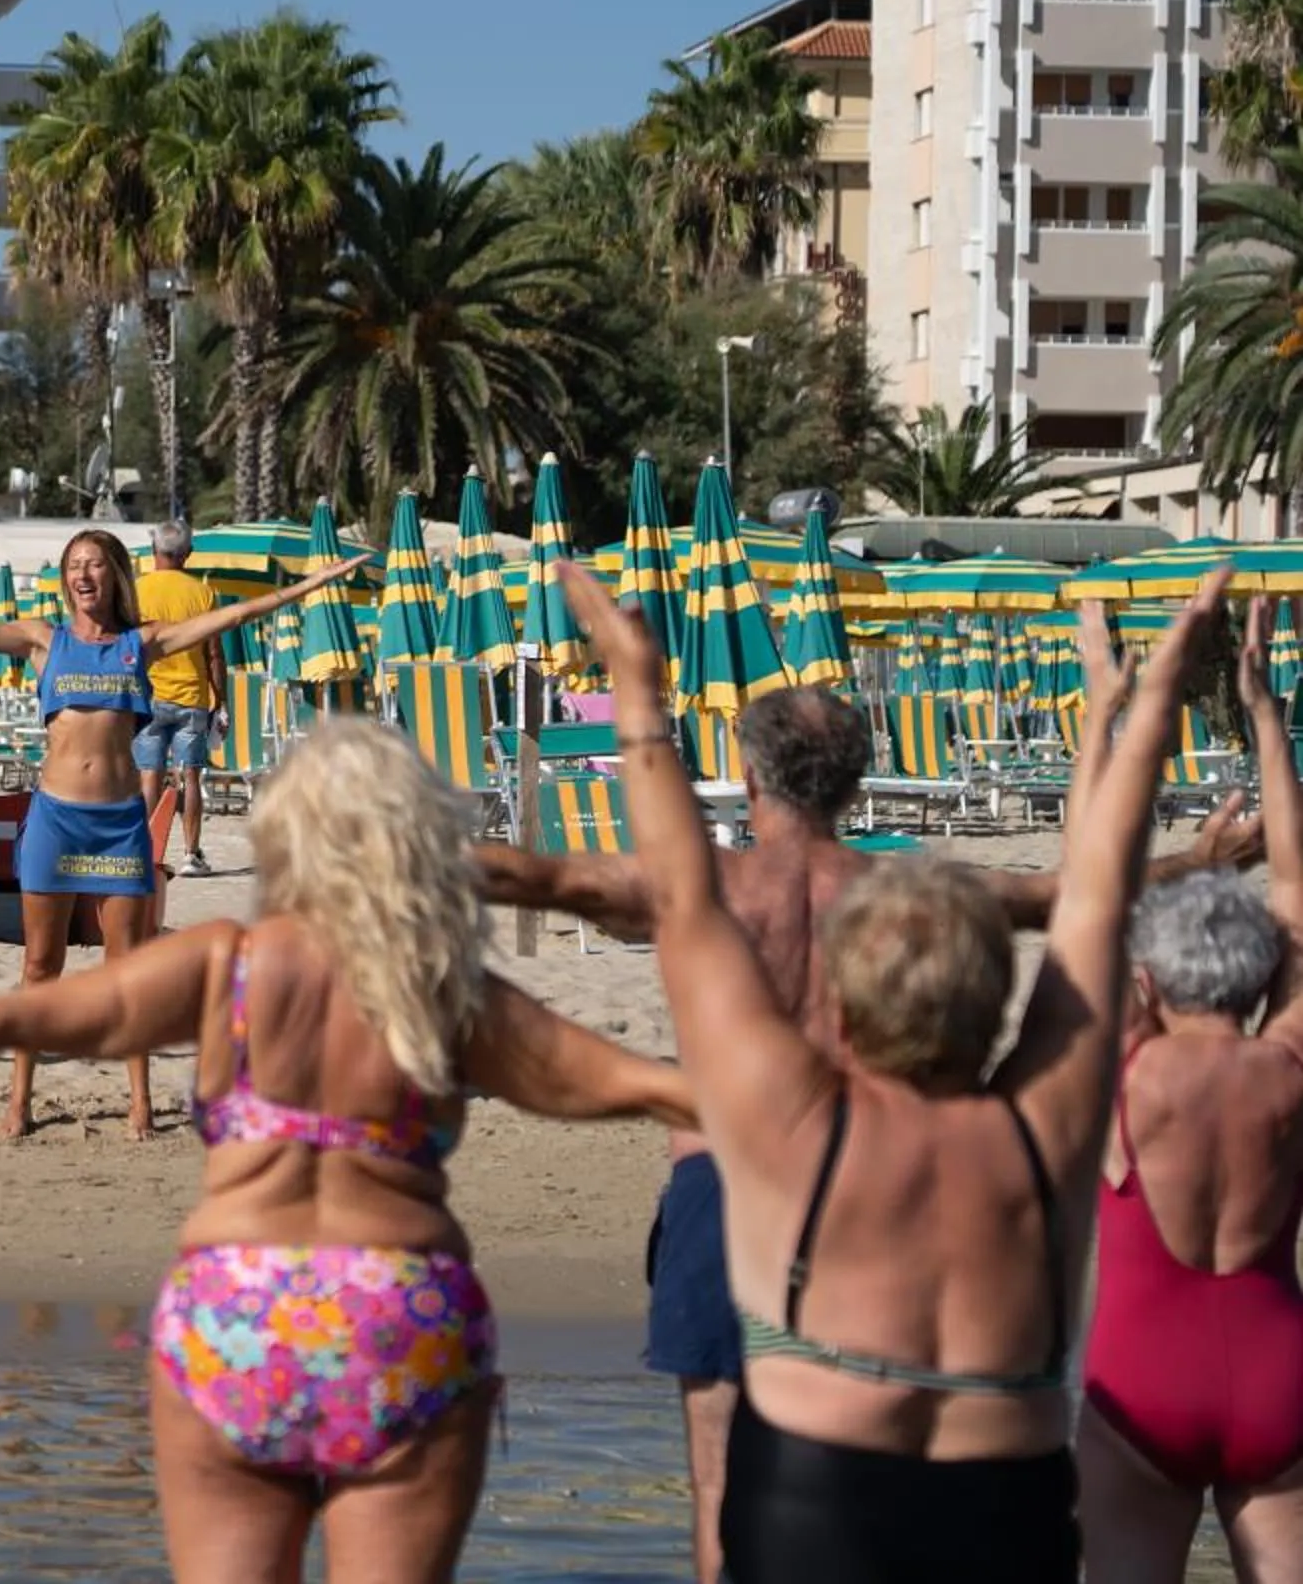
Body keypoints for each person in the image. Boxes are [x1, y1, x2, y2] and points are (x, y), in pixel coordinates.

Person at [0, 716, 694, 1583]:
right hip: (400, 1310)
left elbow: (20, 1013)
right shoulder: (440, 982)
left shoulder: (231, 965)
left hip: (235, 1315)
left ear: (285, 837)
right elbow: (636, 1083)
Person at [474, 680, 1259, 1584]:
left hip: (724, 1177)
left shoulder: (709, 888)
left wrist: (378, 857)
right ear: (855, 782)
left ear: (746, 770)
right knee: (903, 1439)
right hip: (885, 1182)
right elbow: (1074, 900)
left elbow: (539, 877)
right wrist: (1202, 861)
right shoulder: (909, 894)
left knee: (719, 1479)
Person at [0, 531, 365, 1139]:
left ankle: (139, 1105)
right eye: (75, 566)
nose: (85, 576)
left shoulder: (142, 643)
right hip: (56, 820)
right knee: (39, 967)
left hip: (118, 827)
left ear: (116, 577)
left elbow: (233, 615)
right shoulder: (40, 640)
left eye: (97, 566)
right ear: (65, 579)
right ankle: (19, 1102)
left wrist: (312, 585)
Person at [1077, 599, 1303, 1584]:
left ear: (1147, 979)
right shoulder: (1288, 1064)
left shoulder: (1127, 1067)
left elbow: (1096, 882)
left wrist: (1105, 708)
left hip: (1138, 1387)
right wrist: (1264, 713)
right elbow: (1295, 891)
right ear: (1263, 973)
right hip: (1279, 1380)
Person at [134, 522, 224, 878]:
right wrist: (222, 699)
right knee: (191, 776)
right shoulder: (203, 594)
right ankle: (190, 854)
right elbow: (214, 655)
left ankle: (145, 852)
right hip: (192, 697)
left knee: (149, 777)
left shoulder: (136, 591)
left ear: (153, 550)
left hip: (149, 696)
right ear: (188, 554)